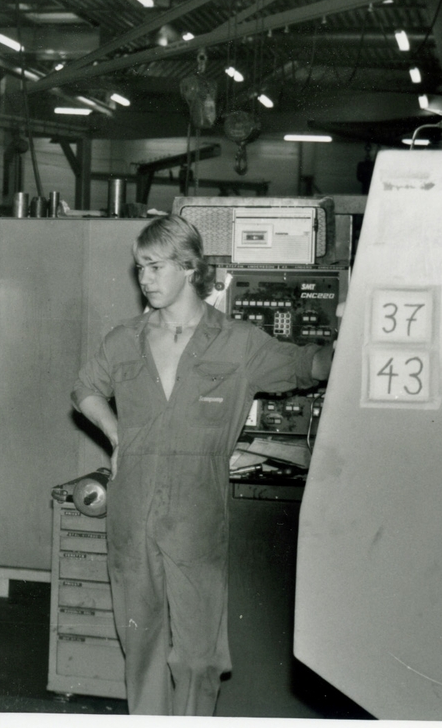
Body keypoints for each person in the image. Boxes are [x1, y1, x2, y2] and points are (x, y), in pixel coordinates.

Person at [72, 215, 332, 716]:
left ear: (189, 267)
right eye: (139, 267)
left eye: (155, 266)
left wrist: (347, 348)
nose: (144, 278)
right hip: (132, 511)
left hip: (196, 513)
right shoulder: (124, 339)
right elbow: (85, 387)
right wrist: (116, 432)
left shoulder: (238, 341)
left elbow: (305, 366)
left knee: (198, 656)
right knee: (141, 646)